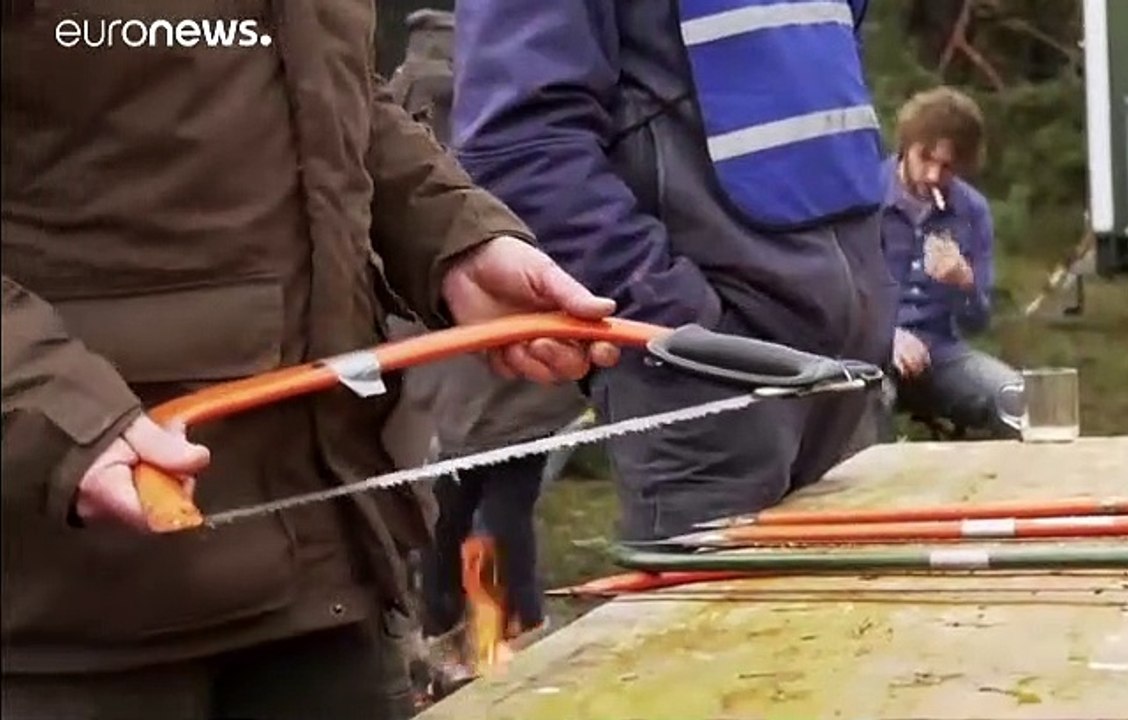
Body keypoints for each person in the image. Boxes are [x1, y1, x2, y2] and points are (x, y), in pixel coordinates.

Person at [0, 4, 618, 719]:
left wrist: (455, 239)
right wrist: (61, 413)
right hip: (63, 626)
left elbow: (334, 92)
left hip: (328, 582)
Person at [449, 0, 900, 542]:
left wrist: (874, 283)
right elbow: (519, 146)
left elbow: (827, 81)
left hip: (848, 376)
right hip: (707, 381)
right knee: (717, 627)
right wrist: (680, 325)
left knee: (857, 621)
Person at [378, 7, 587, 690]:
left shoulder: (403, 98)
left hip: (468, 339)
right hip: (497, 339)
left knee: (462, 499)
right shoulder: (505, 91)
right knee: (496, 502)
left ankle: (457, 628)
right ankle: (508, 634)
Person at [879, 86, 1023, 439]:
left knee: (1019, 400)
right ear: (906, 146)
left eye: (946, 167)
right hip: (869, 354)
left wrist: (965, 282)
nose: (932, 175)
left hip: (941, 355)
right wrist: (887, 337)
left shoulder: (971, 211)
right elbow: (838, 298)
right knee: (866, 408)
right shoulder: (863, 198)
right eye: (925, 159)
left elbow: (977, 323)